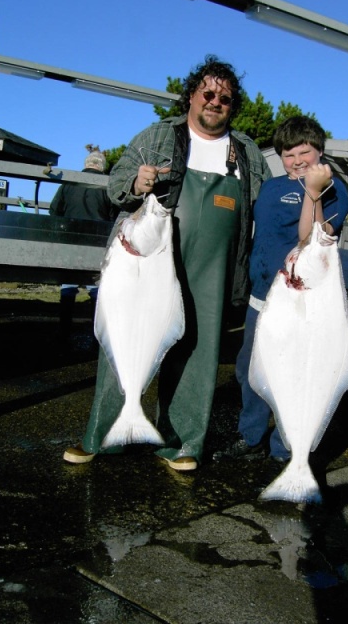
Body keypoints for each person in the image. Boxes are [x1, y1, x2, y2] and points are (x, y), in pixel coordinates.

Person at [63, 55, 272, 470]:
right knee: (124, 341)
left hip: (213, 268)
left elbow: (265, 212)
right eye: (208, 93)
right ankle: (103, 436)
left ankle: (182, 443)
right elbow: (117, 184)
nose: (215, 102)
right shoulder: (158, 135)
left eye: (225, 98)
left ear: (232, 105)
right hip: (148, 262)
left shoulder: (246, 152)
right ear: (192, 95)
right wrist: (136, 183)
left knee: (200, 349)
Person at [214, 115, 348, 463]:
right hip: (261, 298)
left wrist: (313, 192)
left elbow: (311, 238)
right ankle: (251, 436)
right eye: (288, 154)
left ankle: (285, 446)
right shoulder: (272, 187)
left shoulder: (335, 190)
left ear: (320, 151)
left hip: (301, 306)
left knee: (292, 375)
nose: (297, 160)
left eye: (305, 151)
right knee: (251, 370)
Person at [49, 145, 118, 334]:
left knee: (68, 284)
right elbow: (114, 215)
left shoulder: (70, 183)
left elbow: (54, 210)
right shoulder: (107, 185)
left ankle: (64, 330)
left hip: (70, 239)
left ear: (86, 164)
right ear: (102, 166)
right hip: (97, 241)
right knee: (95, 286)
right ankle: (97, 332)